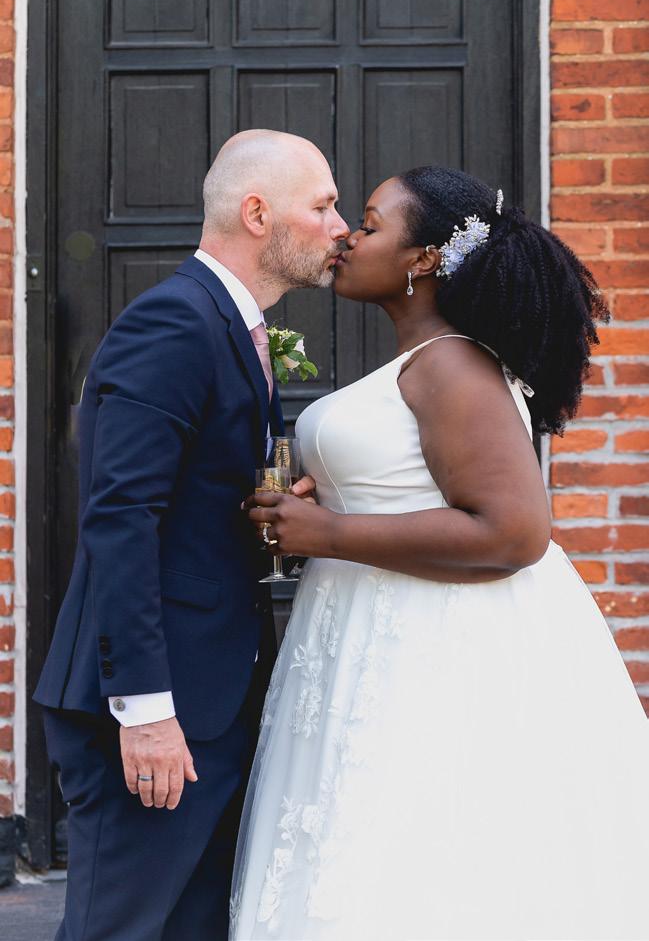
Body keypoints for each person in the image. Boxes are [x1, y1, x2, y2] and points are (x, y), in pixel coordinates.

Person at [233, 166, 649, 940]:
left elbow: (514, 531)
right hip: (367, 636)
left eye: (369, 224)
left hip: (431, 647)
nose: (348, 237)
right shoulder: (423, 359)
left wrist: (329, 534)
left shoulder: (453, 364)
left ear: (423, 258)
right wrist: (328, 503)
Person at [33, 129, 350, 941]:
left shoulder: (231, 326)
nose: (339, 226)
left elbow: (187, 500)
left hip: (209, 695)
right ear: (257, 213)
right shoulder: (175, 321)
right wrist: (144, 710)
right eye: (322, 206)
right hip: (153, 704)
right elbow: (121, 516)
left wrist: (273, 507)